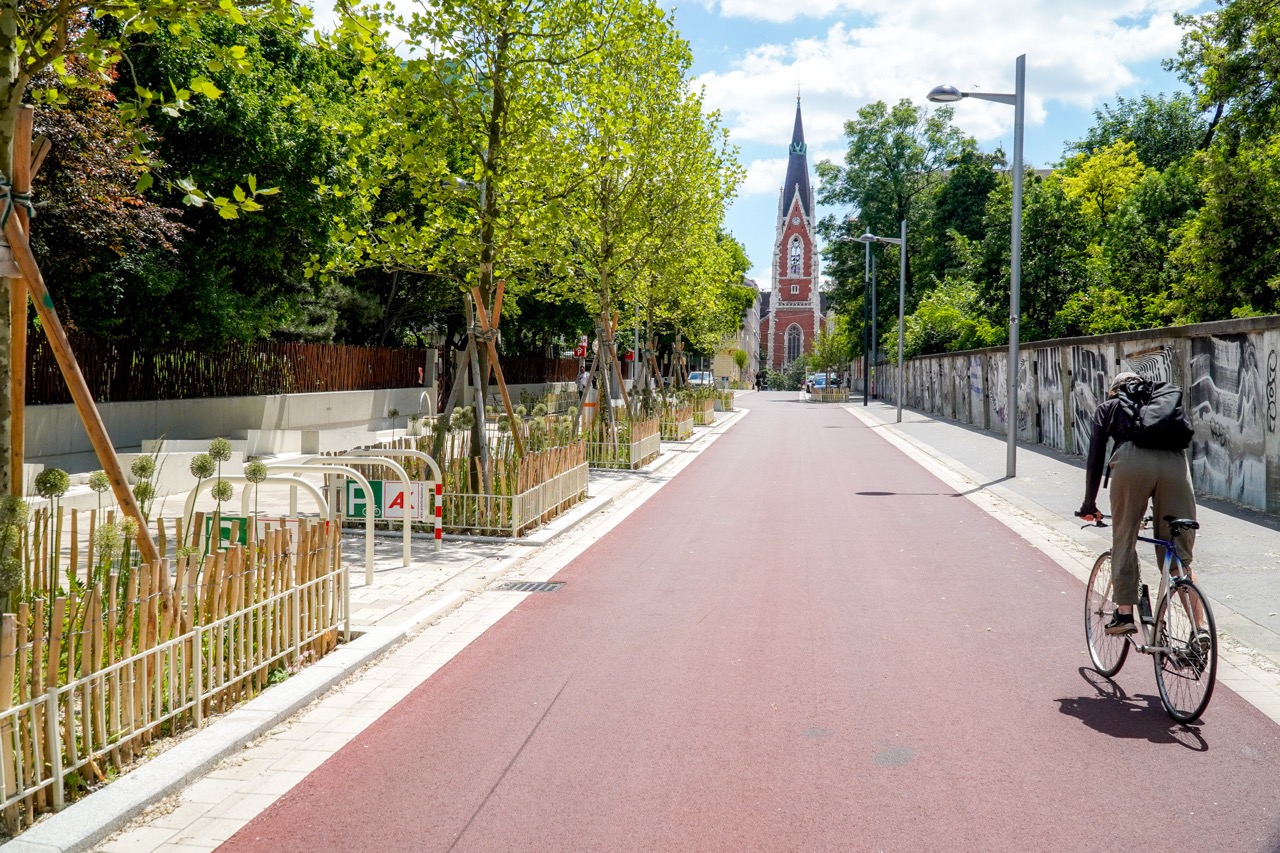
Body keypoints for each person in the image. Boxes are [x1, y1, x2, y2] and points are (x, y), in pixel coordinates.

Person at [1075, 371, 1198, 636]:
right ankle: (1200, 630)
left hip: (1131, 464)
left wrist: (1089, 504)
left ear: (1114, 391)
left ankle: (1124, 614)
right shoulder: (1162, 405)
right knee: (1178, 556)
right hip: (1175, 464)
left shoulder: (1109, 407)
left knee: (1124, 538)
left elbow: (1095, 458)